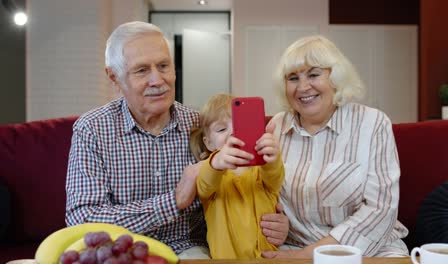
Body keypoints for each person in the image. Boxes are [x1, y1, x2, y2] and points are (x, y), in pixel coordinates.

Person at [65, 21, 288, 258]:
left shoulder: (201, 126)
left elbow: (244, 187)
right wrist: (174, 200)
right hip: (124, 250)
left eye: (163, 66)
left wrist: (275, 221)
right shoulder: (92, 128)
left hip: (189, 248)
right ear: (114, 77)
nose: (157, 80)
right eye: (141, 70)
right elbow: (83, 220)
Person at [261, 35, 409, 259]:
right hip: (292, 247)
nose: (302, 87)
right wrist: (275, 220)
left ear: (336, 78)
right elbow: (261, 193)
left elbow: (381, 209)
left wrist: (309, 255)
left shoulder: (373, 123)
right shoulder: (275, 128)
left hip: (371, 249)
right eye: (293, 78)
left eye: (313, 74)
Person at [190, 94, 285, 259]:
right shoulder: (213, 173)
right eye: (221, 129)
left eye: (240, 126)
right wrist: (216, 162)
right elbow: (204, 186)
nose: (233, 132)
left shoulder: (262, 171)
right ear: (209, 143)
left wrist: (272, 157)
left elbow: (275, 176)